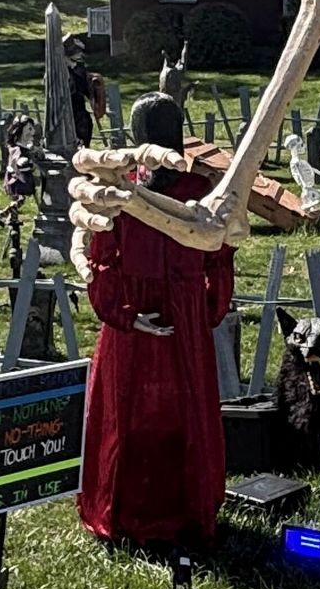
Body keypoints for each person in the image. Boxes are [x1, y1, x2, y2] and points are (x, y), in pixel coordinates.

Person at [78, 93, 236, 551]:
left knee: (151, 408)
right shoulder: (128, 194)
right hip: (163, 312)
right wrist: (198, 310)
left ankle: (158, 508)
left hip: (153, 309)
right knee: (157, 408)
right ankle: (150, 507)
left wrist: (124, 314)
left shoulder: (190, 193)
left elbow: (104, 259)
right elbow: (219, 259)